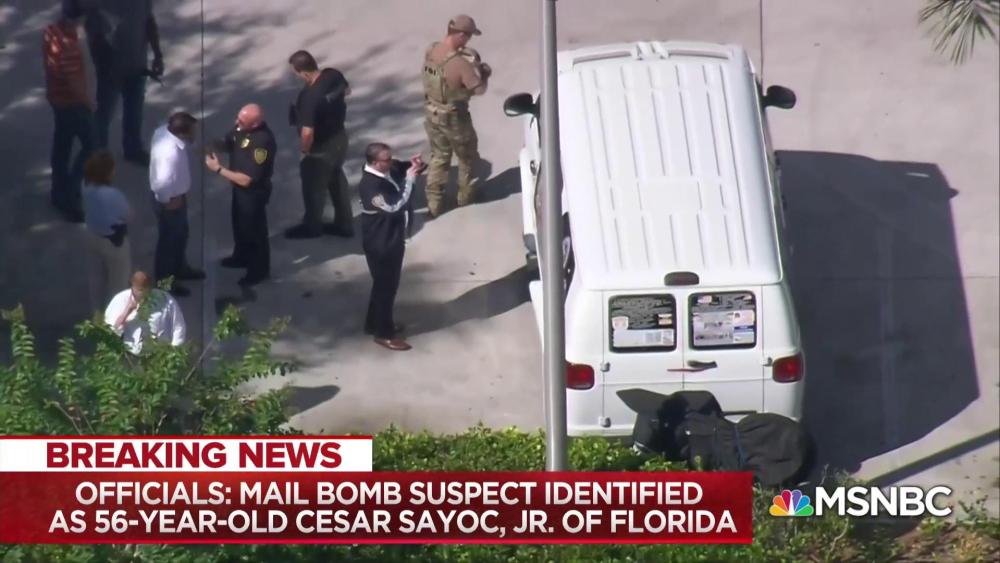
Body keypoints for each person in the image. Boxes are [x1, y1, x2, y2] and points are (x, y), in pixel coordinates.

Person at [73, 0, 164, 165]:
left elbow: (149, 21)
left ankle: (133, 148)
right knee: (104, 114)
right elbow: (90, 29)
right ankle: (99, 155)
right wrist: (101, 61)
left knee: (134, 110)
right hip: (110, 68)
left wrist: (158, 54)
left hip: (137, 63)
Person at [422, 14, 492, 218]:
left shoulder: (431, 50)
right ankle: (465, 198)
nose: (468, 41)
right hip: (454, 118)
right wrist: (484, 74)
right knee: (467, 157)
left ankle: (434, 204)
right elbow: (479, 90)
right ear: (461, 35)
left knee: (439, 157)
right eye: (468, 36)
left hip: (432, 113)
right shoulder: (460, 64)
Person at [358, 142, 424, 351]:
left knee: (382, 285)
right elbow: (394, 206)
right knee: (386, 288)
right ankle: (384, 333)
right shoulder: (370, 187)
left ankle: (374, 323)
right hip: (381, 242)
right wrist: (410, 180)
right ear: (375, 162)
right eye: (387, 160)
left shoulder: (387, 169)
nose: (391, 162)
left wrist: (415, 166)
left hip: (392, 237)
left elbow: (402, 167)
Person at [284, 50, 354, 239]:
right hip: (339, 137)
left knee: (313, 186)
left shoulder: (309, 97)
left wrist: (305, 151)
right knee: (336, 179)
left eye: (296, 73)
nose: (297, 77)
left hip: (321, 147)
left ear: (304, 73)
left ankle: (312, 227)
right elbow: (347, 91)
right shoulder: (333, 74)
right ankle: (345, 224)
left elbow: (308, 132)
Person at [204, 104, 276, 287]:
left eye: (242, 121)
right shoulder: (241, 128)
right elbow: (229, 143)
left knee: (254, 233)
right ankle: (241, 256)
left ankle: (259, 271)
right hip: (239, 191)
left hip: (253, 194)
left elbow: (246, 180)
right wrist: (210, 144)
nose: (237, 122)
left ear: (255, 124)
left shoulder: (262, 143)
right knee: (240, 226)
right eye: (238, 118)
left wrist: (218, 169)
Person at [43, 6, 94, 222]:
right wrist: (89, 103)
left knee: (62, 145)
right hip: (72, 103)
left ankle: (58, 191)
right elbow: (72, 81)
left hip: (57, 99)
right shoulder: (68, 44)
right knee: (92, 145)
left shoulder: (51, 31)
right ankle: (70, 193)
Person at [150, 111, 204, 297]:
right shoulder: (170, 153)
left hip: (176, 196)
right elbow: (162, 182)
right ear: (182, 133)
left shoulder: (163, 132)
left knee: (181, 236)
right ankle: (165, 283)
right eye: (192, 131)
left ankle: (180, 268)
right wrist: (168, 201)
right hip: (170, 201)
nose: (195, 134)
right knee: (169, 243)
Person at [81, 150, 131, 311]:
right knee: (118, 282)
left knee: (96, 279)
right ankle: (115, 318)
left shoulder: (85, 186)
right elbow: (128, 215)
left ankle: (97, 314)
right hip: (113, 241)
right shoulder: (113, 195)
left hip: (91, 235)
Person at [104, 271, 185, 354]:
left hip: (159, 354)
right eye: (139, 290)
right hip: (130, 354)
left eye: (145, 289)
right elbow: (111, 331)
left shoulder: (166, 299)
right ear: (132, 286)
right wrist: (127, 311)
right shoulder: (119, 300)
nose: (142, 294)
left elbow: (178, 326)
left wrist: (174, 351)